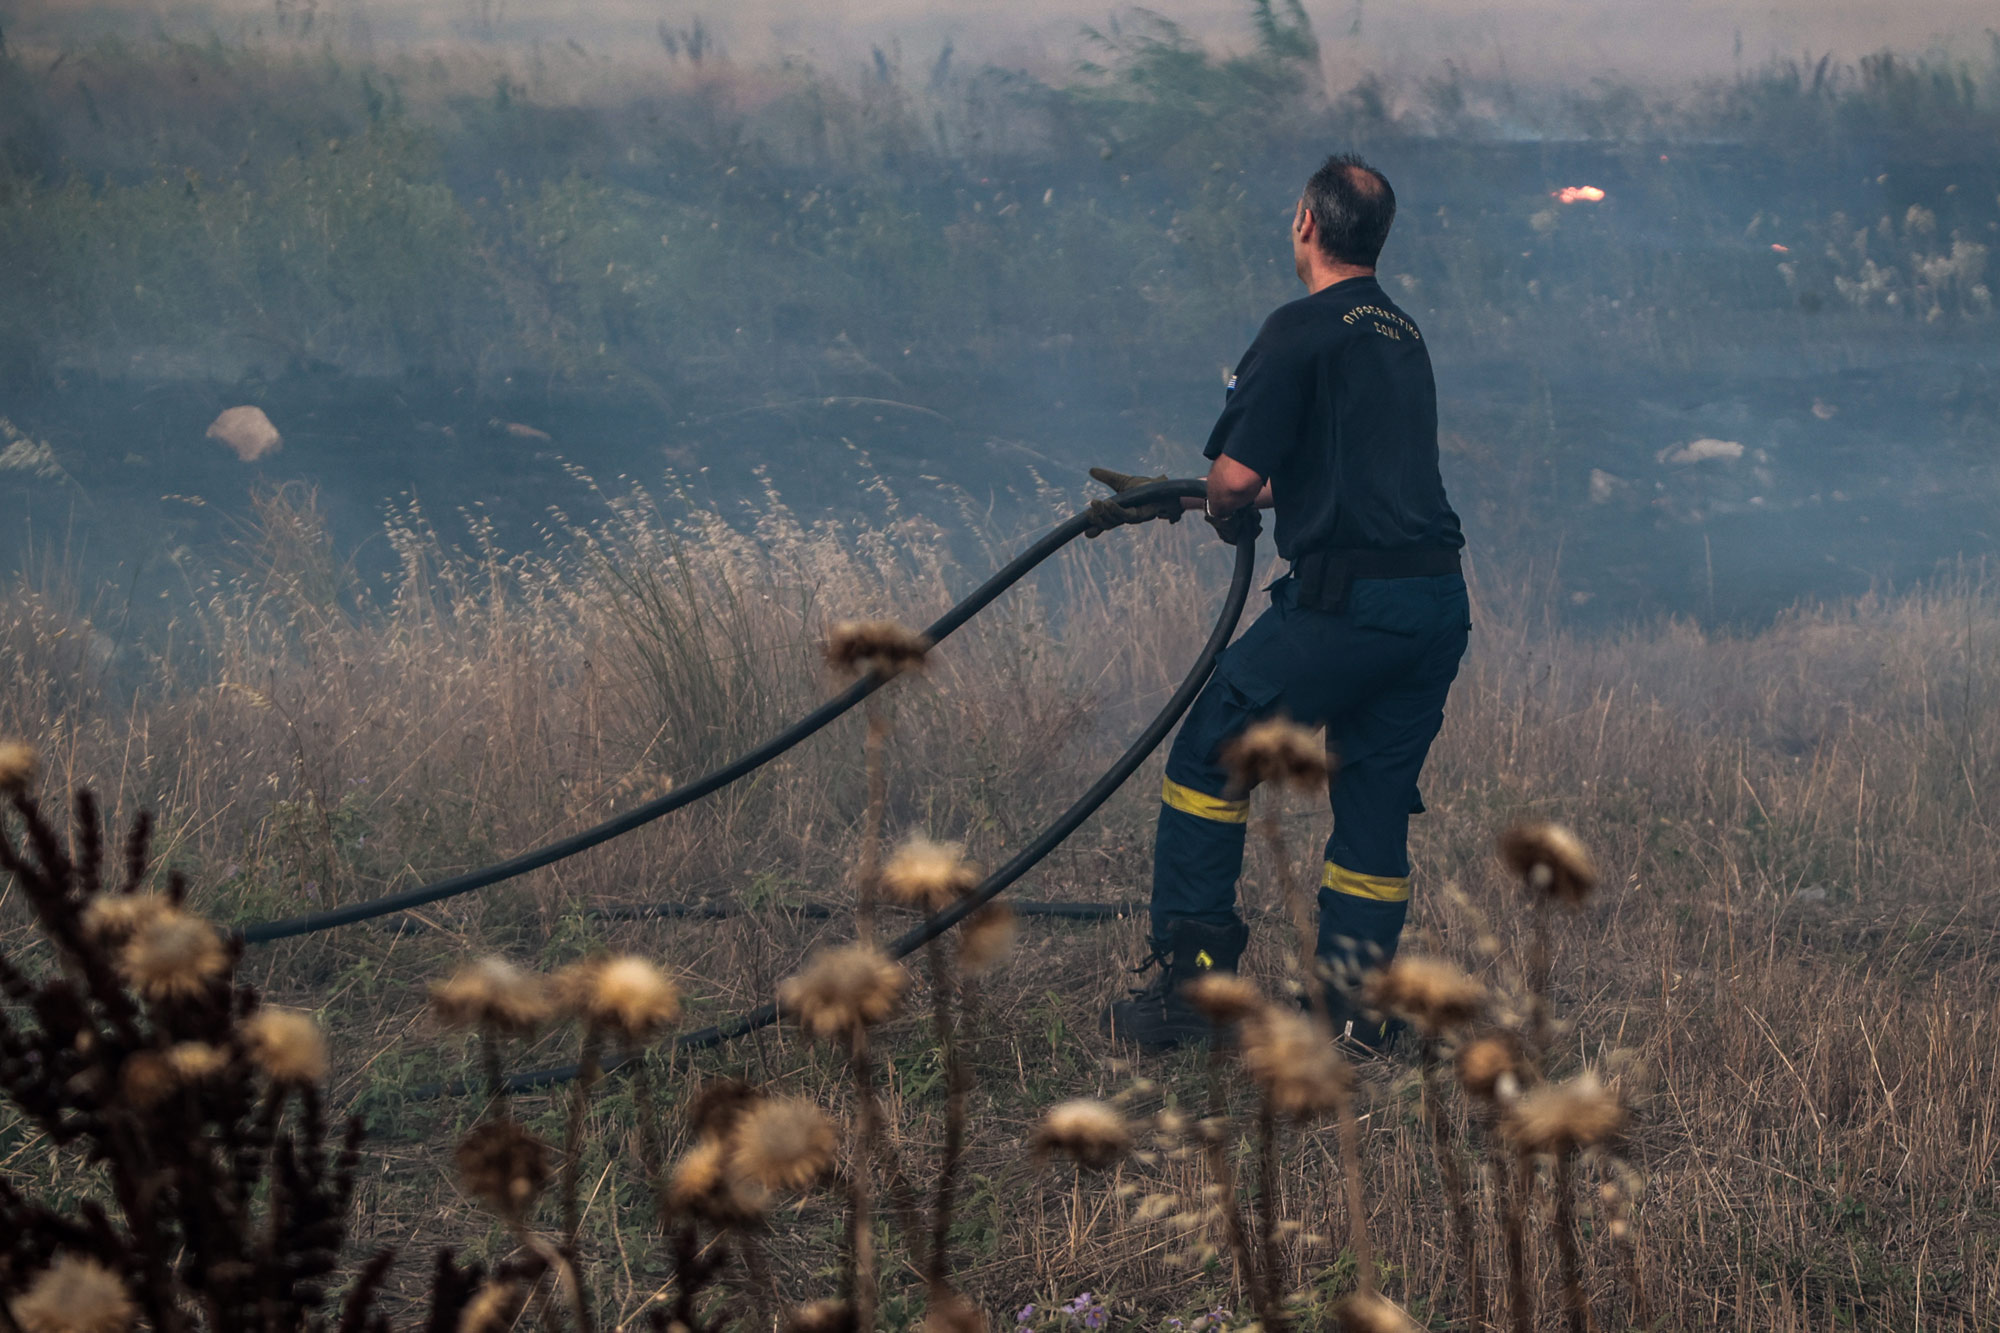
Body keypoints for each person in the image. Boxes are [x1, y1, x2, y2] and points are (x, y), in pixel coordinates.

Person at [1086, 154, 1470, 1052]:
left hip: (1347, 610)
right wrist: (1187, 497)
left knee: (1208, 757)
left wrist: (1217, 497)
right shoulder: (1400, 334)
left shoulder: (1297, 328)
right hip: (1432, 609)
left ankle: (1192, 1001)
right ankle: (1355, 1016)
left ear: (1305, 222)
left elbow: (1239, 480)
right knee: (1372, 799)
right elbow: (1328, 484)